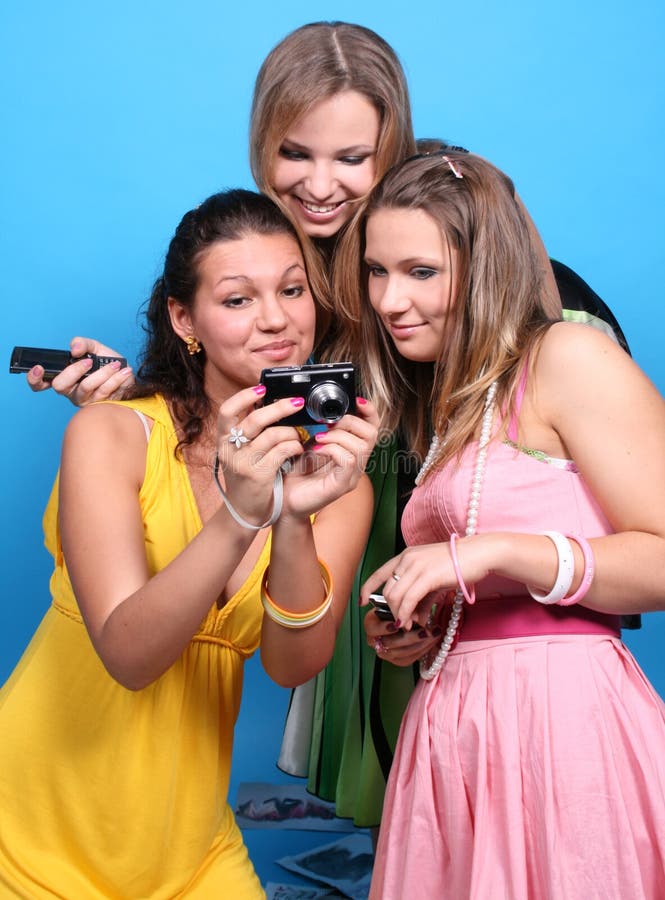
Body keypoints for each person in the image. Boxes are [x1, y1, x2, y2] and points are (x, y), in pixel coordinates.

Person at [21, 20, 636, 829]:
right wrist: (143, 399)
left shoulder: (456, 238)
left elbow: (532, 451)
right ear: (260, 146)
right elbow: (259, 400)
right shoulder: (282, 260)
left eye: (353, 158)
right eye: (295, 154)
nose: (320, 184)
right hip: (358, 552)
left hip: (485, 574)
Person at [0, 188, 378, 897]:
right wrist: (241, 514)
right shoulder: (110, 433)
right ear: (185, 318)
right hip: (26, 833)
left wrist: (291, 516)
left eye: (292, 290)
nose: (275, 318)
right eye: (237, 299)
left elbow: (294, 665)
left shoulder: (338, 483)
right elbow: (129, 656)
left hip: (188, 849)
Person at [332, 148, 665, 898]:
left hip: (561, 731)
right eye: (375, 272)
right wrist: (422, 615)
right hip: (452, 731)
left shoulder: (567, 356)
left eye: (420, 271)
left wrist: (489, 553)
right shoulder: (449, 399)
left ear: (486, 267)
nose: (388, 300)